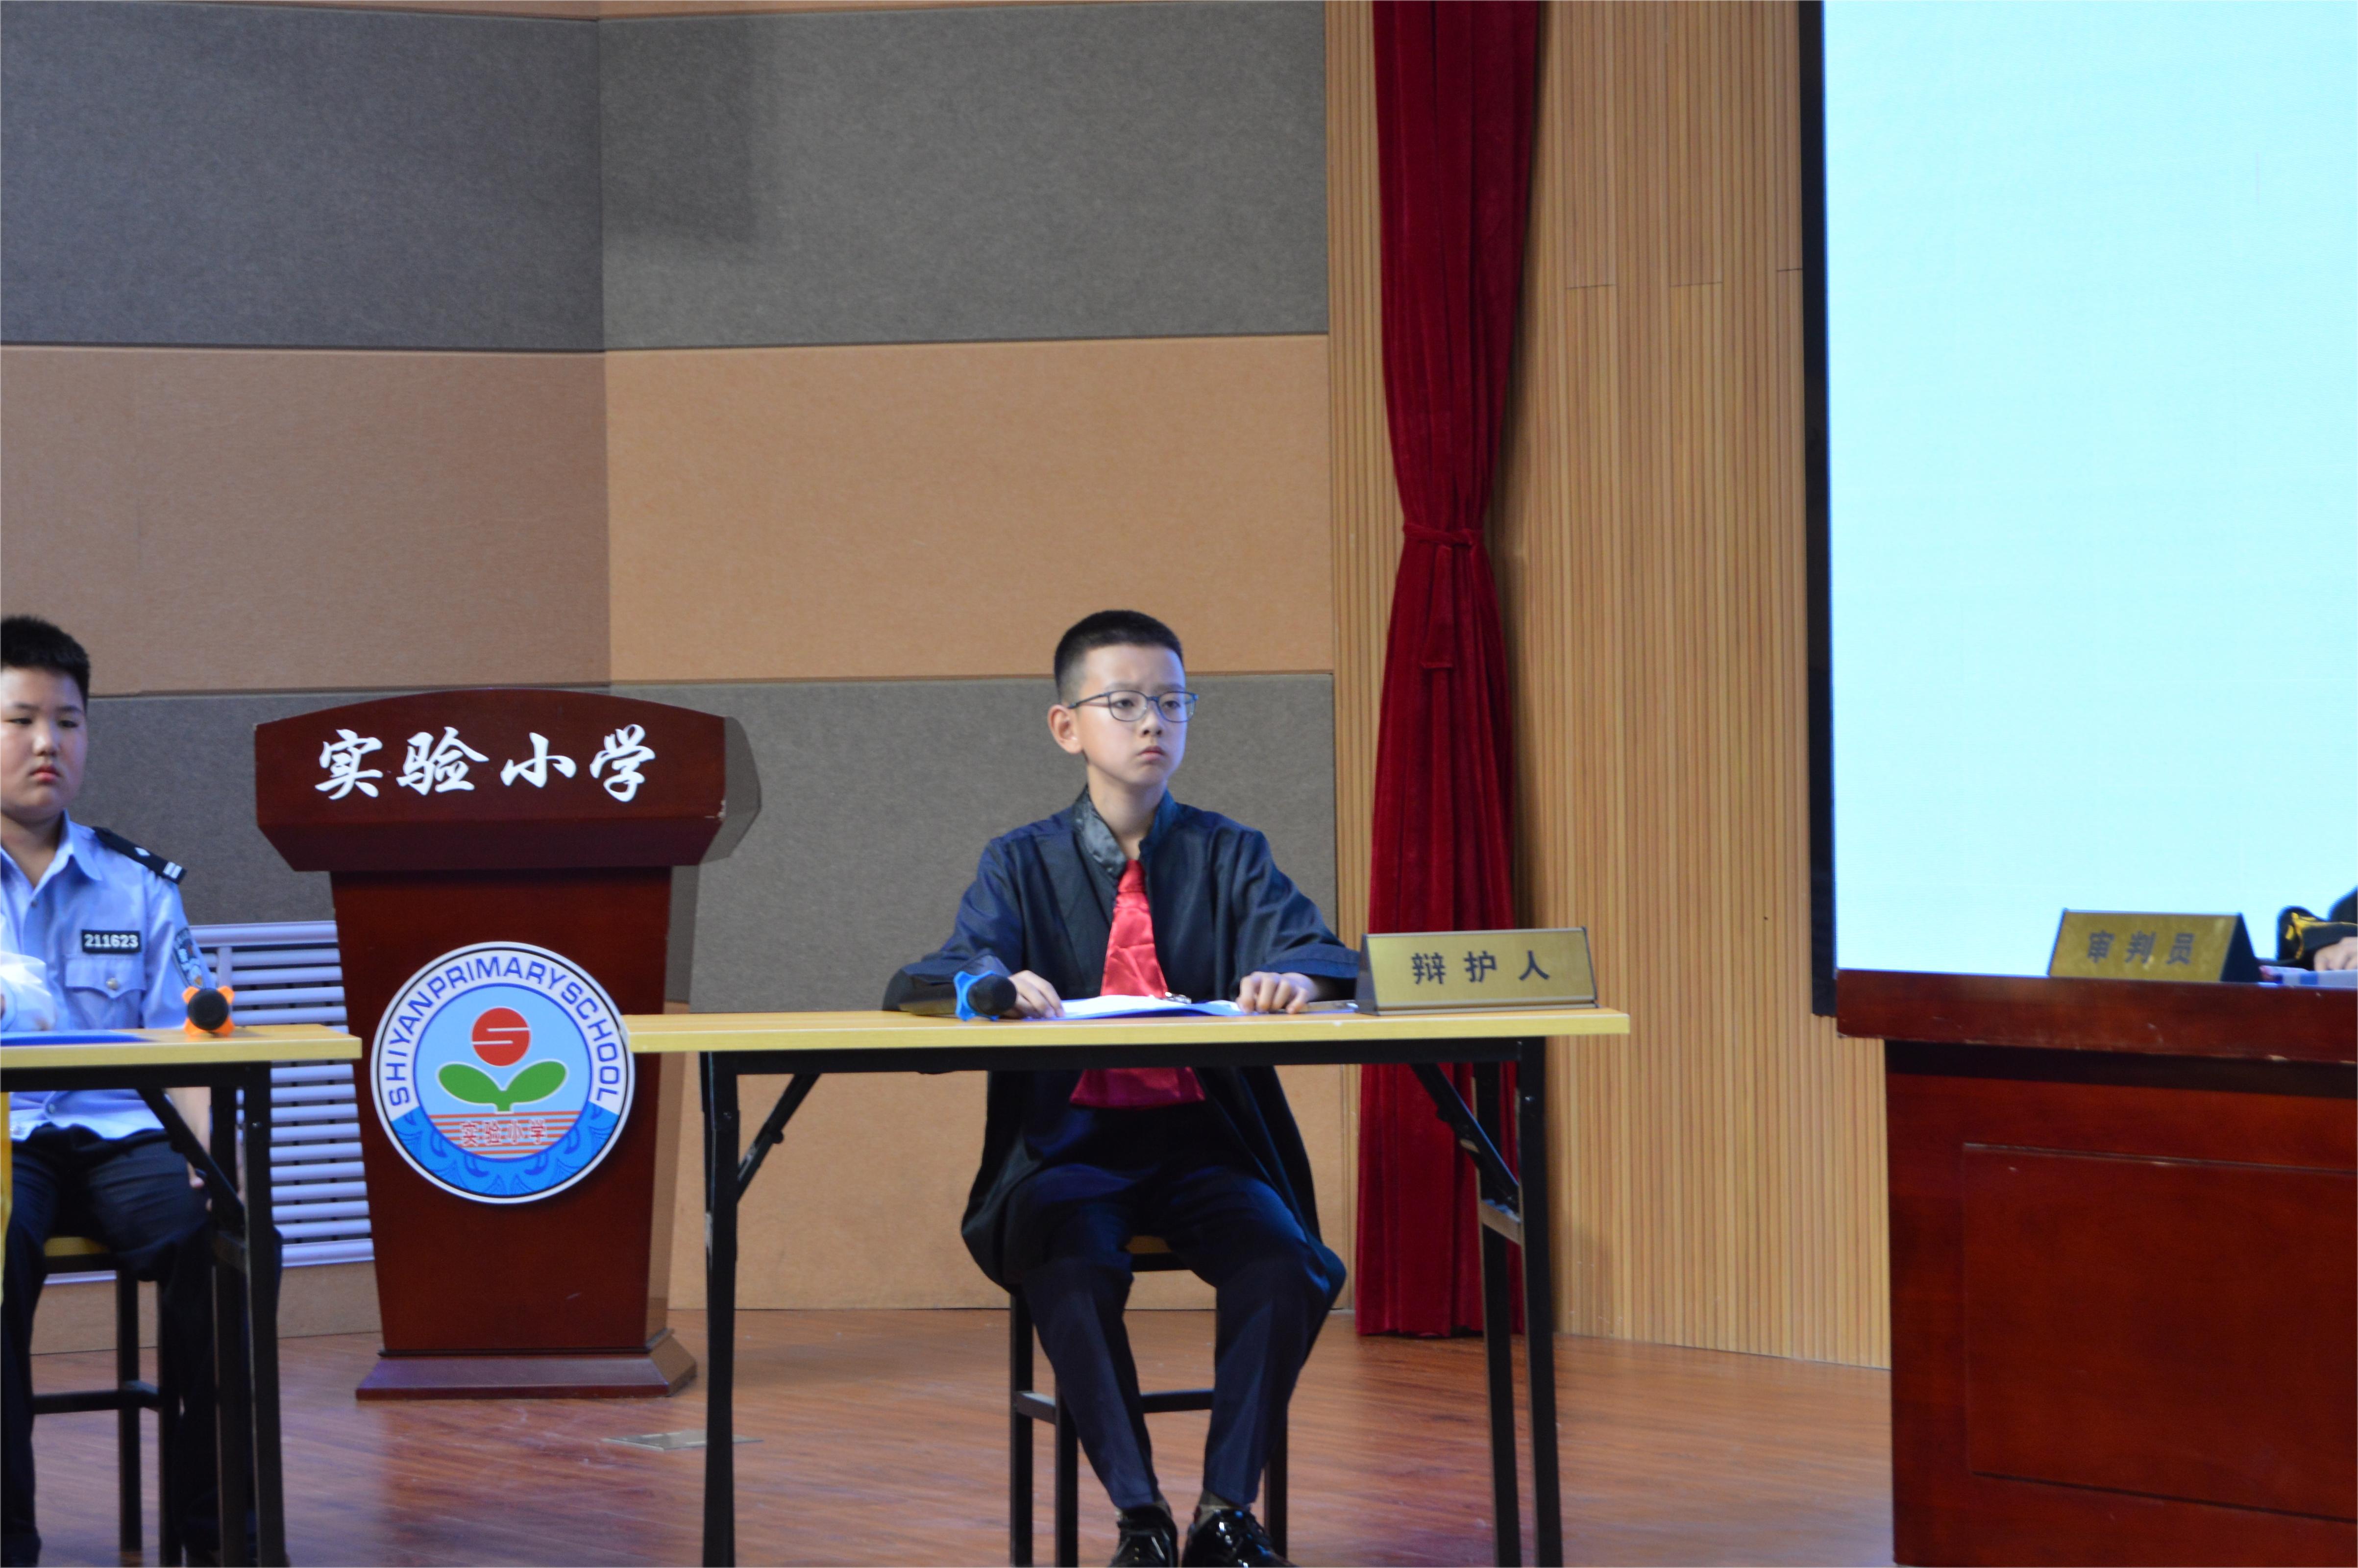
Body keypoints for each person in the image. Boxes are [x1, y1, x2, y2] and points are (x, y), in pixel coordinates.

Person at [889, 610, 1356, 1568]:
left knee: (1285, 1262)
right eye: (1127, 702)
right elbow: (941, 970)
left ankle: (1225, 1512)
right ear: (1068, 726)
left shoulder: (1231, 852)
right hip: (1069, 1150)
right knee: (1068, 1261)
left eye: (1174, 702)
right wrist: (995, 984)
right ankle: (1140, 1517)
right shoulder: (1019, 860)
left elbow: (1321, 950)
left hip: (1206, 1146)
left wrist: (1299, 980)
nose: (1154, 722)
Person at [1, 615, 235, 1568]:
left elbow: (192, 1045)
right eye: (19, 720)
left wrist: (209, 1167)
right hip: (2, 1142)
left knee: (224, 1245)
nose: (47, 744)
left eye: (67, 722)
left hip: (120, 1134)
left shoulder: (139, 885)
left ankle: (219, 1538)